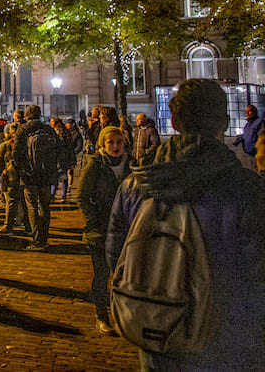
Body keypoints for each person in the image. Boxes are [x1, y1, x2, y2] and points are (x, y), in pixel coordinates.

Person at [107, 79, 265, 369]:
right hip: (224, 337)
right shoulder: (246, 190)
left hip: (155, 327)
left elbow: (117, 253)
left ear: (175, 122)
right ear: (224, 122)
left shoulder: (136, 184)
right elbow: (256, 272)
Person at [76, 125, 130, 334]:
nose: (115, 147)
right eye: (111, 143)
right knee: (101, 275)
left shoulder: (131, 165)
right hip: (101, 229)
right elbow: (82, 196)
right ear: (103, 144)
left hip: (125, 228)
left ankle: (124, 315)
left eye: (118, 142)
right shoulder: (96, 165)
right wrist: (94, 219)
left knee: (126, 275)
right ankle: (102, 315)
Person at [13, 104, 61, 251]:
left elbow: (16, 154)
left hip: (30, 176)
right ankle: (44, 237)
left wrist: (21, 170)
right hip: (46, 175)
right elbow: (59, 149)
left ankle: (37, 239)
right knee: (44, 206)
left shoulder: (22, 129)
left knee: (32, 206)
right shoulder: (48, 129)